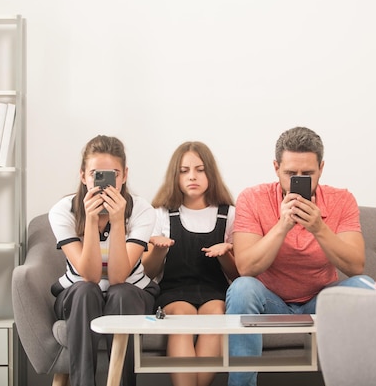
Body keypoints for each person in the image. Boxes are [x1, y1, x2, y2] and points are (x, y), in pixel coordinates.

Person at [225, 126, 374, 386]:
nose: (299, 179)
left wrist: (318, 227)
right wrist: (283, 225)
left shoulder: (342, 200)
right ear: (275, 167)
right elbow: (246, 267)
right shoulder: (252, 198)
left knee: (367, 287)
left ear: (322, 168)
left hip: (321, 300)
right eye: (290, 173)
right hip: (270, 302)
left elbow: (356, 266)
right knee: (242, 289)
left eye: (308, 173)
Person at [48, 135, 159, 386]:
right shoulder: (62, 211)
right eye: (96, 174)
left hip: (131, 292)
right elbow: (90, 275)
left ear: (124, 175)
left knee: (121, 293)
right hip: (78, 294)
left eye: (114, 174)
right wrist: (90, 220)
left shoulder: (141, 210)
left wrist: (118, 221)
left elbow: (119, 277)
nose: (105, 183)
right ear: (83, 175)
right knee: (87, 290)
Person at [143, 141, 238, 386]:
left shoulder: (228, 214)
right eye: (184, 171)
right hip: (174, 292)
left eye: (200, 169)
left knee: (216, 312)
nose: (192, 177)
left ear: (211, 173)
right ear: (175, 176)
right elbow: (148, 272)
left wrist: (225, 253)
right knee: (181, 315)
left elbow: (237, 275)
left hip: (214, 290)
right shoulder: (162, 213)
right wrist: (158, 250)